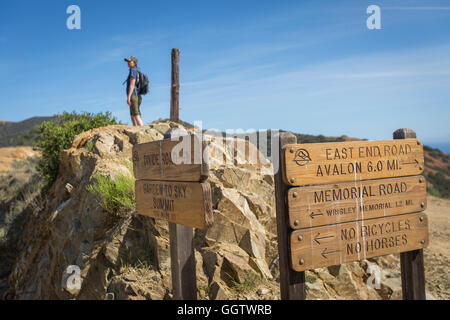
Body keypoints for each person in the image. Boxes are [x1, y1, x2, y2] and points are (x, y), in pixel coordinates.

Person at [124, 56, 144, 126]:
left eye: (130, 61)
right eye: (128, 61)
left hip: (133, 95)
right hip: (137, 95)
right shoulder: (136, 70)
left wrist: (129, 97)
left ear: (134, 63)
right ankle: (136, 131)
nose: (128, 63)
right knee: (133, 115)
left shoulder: (133, 70)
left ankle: (143, 131)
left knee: (136, 115)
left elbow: (132, 84)